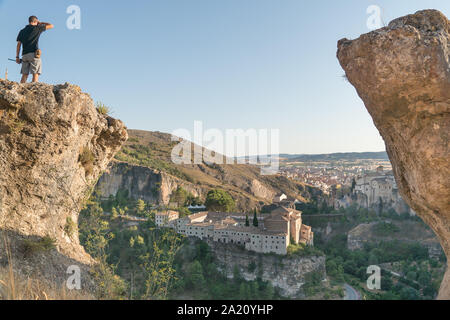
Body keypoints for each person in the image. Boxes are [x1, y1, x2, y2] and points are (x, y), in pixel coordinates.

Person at [16, 16, 54, 83]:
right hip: (34, 54)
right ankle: (34, 91)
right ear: (35, 22)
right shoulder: (37, 28)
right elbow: (51, 25)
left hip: (24, 55)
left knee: (24, 75)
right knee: (35, 73)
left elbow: (18, 45)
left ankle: (21, 90)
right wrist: (41, 22)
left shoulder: (22, 31)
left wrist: (17, 57)